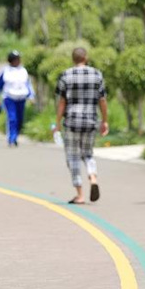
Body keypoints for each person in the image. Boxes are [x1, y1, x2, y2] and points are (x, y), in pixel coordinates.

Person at [54, 47, 109, 204]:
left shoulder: (66, 75)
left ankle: (80, 194)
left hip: (71, 121)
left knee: (73, 157)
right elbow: (102, 100)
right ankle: (93, 177)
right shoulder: (97, 74)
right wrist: (104, 120)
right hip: (91, 120)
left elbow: (62, 101)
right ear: (86, 57)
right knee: (88, 154)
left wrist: (57, 123)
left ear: (73, 59)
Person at [0, 51, 35, 147]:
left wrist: (31, 96)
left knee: (20, 119)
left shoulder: (23, 70)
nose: (18, 61)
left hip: (21, 98)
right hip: (9, 98)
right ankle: (11, 138)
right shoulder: (5, 71)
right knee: (12, 118)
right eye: (16, 59)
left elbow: (28, 85)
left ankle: (15, 136)